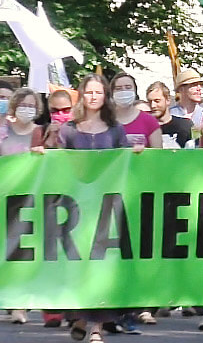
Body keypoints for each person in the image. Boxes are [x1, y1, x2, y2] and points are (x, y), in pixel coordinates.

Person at [58, 73, 143, 342]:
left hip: (107, 208)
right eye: (89, 92)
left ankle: (96, 327)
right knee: (81, 267)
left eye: (99, 92)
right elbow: (57, 164)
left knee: (103, 267)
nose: (94, 97)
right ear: (82, 95)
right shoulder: (69, 129)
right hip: (77, 208)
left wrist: (136, 155)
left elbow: (123, 165)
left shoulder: (116, 129)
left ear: (105, 97)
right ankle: (81, 317)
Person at [0, 88, 45, 325]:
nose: (27, 109)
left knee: (26, 253)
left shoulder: (41, 133)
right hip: (4, 198)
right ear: (14, 108)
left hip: (33, 199)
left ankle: (21, 303)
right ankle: (11, 299)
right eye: (22, 105)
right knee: (8, 252)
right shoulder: (2, 133)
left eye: (31, 105)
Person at [110, 73, 162, 149]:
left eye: (128, 87)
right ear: (112, 93)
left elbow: (158, 154)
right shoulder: (104, 120)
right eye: (118, 88)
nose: (124, 91)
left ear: (135, 91)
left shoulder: (149, 121)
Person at [146, 82, 193, 149]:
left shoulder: (185, 126)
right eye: (150, 102)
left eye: (157, 101)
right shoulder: (145, 128)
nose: (153, 105)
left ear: (168, 100)